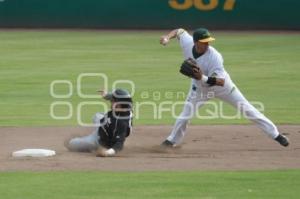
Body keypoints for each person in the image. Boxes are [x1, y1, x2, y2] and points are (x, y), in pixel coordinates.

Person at [159, 28, 289, 148]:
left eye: (208, 41)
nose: (207, 44)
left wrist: (201, 77)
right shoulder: (187, 42)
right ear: (196, 42)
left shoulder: (214, 56)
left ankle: (276, 135)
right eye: (204, 42)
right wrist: (167, 37)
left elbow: (220, 81)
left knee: (248, 109)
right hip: (199, 89)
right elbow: (179, 31)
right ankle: (171, 141)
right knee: (184, 116)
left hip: (223, 87)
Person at [65, 88, 133, 157]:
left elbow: (119, 144)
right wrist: (106, 95)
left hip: (98, 140)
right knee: (97, 115)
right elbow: (123, 98)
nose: (111, 101)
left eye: (112, 100)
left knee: (71, 144)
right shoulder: (126, 106)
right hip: (105, 125)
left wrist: (107, 152)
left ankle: (83, 140)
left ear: (119, 104)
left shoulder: (121, 123)